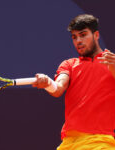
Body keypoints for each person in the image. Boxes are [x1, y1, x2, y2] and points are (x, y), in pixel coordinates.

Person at [32, 14, 115, 150]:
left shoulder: (112, 63)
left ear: (96, 35)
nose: (78, 41)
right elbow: (58, 88)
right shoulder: (69, 64)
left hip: (100, 142)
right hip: (69, 143)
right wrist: (47, 83)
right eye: (74, 37)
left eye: (83, 35)